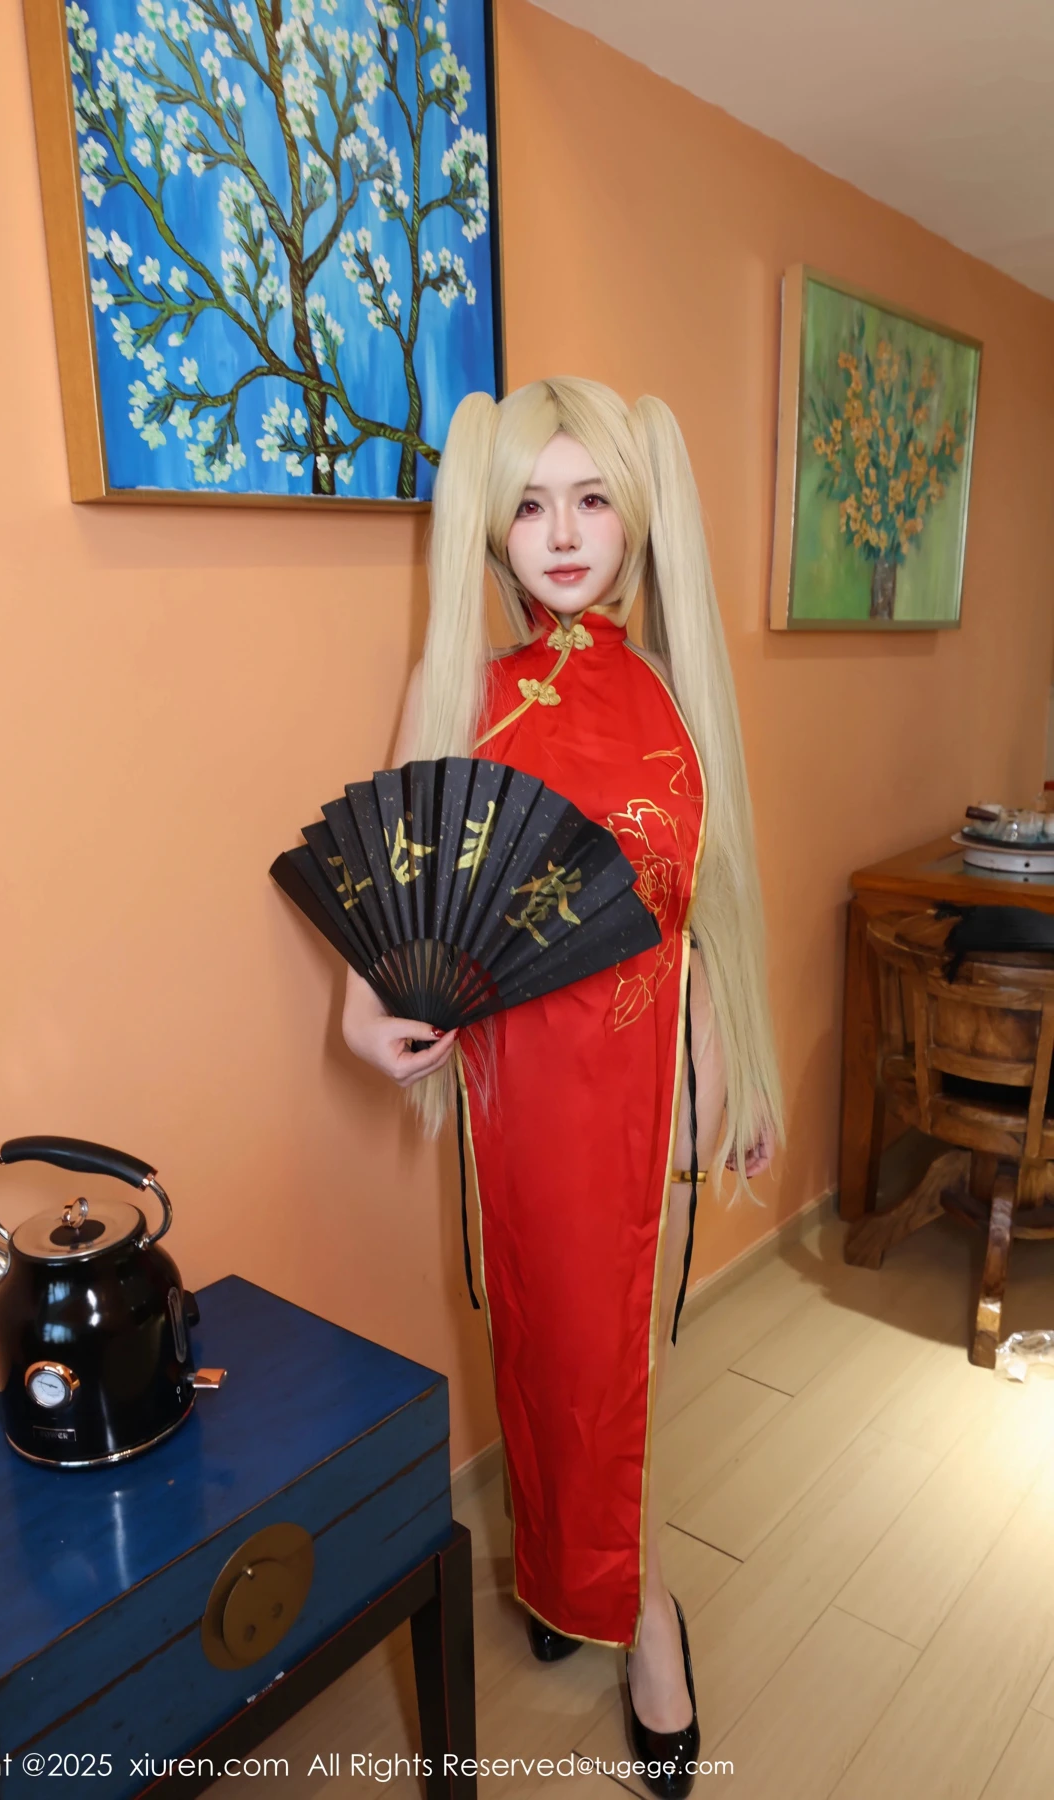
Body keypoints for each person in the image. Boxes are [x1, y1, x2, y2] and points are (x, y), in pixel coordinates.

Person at [341, 377, 781, 1797]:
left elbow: (702, 911)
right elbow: (393, 891)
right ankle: (559, 1578)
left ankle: (640, 1609)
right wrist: (368, 1010)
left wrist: (727, 1057)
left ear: (637, 517)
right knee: (532, 1351)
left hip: (641, 1094)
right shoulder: (463, 698)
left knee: (617, 1372)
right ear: (493, 531)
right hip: (514, 1101)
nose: (567, 534)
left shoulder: (670, 698)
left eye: (594, 499)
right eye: (531, 506)